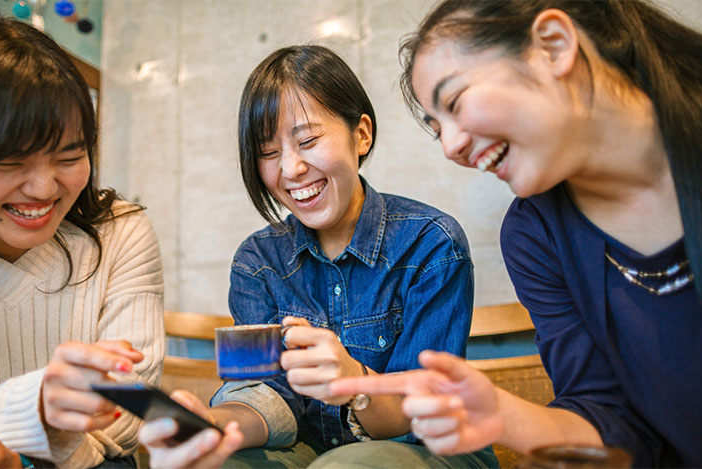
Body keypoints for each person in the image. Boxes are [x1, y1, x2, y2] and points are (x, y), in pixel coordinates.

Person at [330, 1, 702, 468]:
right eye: (438, 129)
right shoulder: (532, 234)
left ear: (554, 46)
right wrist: (501, 414)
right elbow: (611, 419)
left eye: (455, 103)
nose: (452, 147)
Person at [138, 45, 497, 468]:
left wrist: (353, 382)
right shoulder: (258, 261)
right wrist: (213, 423)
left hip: (430, 448)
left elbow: (420, 410)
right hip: (310, 451)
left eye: (308, 140)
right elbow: (265, 393)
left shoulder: (431, 244)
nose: (291, 169)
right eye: (269, 153)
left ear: (361, 134)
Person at [0, 16, 166, 468]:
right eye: (8, 161)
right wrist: (36, 409)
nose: (43, 188)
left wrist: (39, 446)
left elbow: (131, 403)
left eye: (70, 155)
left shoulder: (120, 231)